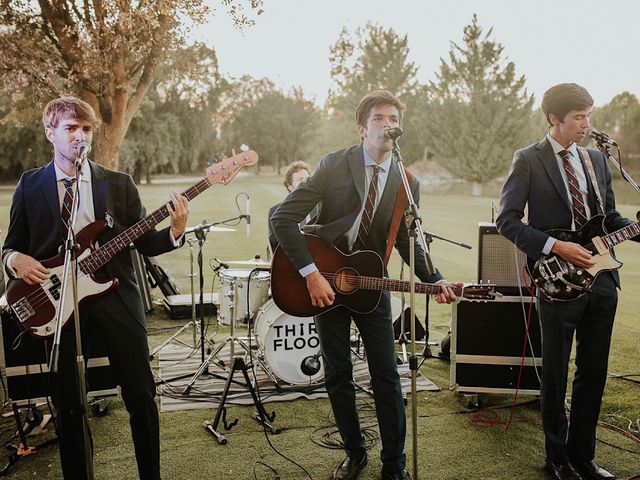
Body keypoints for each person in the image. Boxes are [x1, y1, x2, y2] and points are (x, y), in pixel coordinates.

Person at [271, 90, 456, 480]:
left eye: (394, 117)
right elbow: (283, 219)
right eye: (379, 118)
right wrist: (312, 274)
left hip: (372, 287)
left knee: (387, 374)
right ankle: (354, 453)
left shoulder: (407, 181)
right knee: (338, 373)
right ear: (362, 129)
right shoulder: (335, 165)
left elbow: (407, 241)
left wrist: (434, 278)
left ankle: (395, 464)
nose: (389, 124)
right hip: (324, 282)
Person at [2, 95, 189, 479]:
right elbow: (11, 245)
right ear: (50, 132)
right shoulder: (30, 184)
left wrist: (175, 230)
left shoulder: (117, 184)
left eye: (86, 129)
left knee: (140, 394)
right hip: (57, 305)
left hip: (116, 295)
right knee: (69, 405)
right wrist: (13, 260)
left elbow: (144, 241)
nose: (80, 137)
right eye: (71, 128)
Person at [497, 83, 637, 480]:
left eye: (589, 115)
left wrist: (636, 228)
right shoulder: (528, 159)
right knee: (556, 374)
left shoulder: (595, 159)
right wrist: (555, 246)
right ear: (553, 119)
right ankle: (556, 459)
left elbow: (608, 218)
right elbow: (506, 221)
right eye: (578, 117)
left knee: (594, 372)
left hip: (603, 279)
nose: (586, 124)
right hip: (557, 282)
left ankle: (584, 457)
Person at [267, 160, 311, 253]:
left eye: (308, 179)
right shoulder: (275, 211)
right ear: (289, 185)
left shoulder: (320, 208)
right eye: (300, 179)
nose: (306, 183)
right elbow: (274, 244)